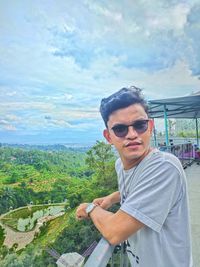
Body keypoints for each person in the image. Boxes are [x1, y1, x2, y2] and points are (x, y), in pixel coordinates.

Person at [76, 86, 193, 267]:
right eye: (120, 129)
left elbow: (114, 231)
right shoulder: (120, 165)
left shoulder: (164, 168)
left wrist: (90, 208)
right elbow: (136, 187)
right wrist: (111, 198)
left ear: (150, 127)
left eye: (139, 125)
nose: (132, 135)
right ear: (108, 136)